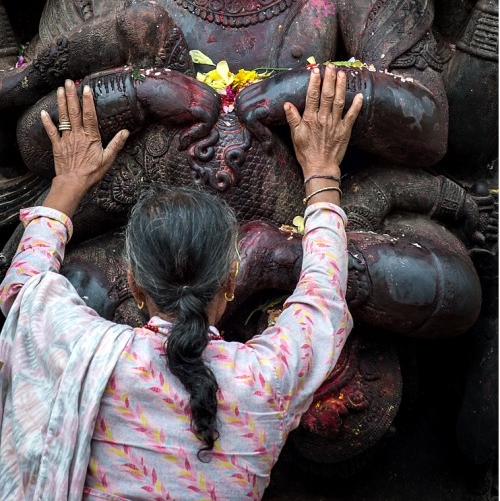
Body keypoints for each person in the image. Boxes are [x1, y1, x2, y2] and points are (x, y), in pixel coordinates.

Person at [0, 64, 363, 501]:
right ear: (231, 280)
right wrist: (323, 172)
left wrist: (69, 182)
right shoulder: (265, 379)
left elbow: (24, 288)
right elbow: (323, 299)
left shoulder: (83, 351)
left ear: (133, 284)